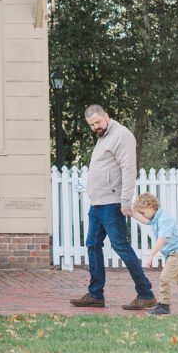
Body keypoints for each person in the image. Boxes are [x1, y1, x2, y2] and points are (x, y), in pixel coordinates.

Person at [70, 105, 157, 310]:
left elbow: (128, 170)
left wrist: (125, 202)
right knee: (92, 245)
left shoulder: (121, 136)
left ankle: (146, 294)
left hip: (112, 203)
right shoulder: (103, 137)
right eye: (91, 125)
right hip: (98, 203)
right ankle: (95, 295)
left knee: (121, 247)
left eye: (98, 122)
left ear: (106, 116)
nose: (95, 127)